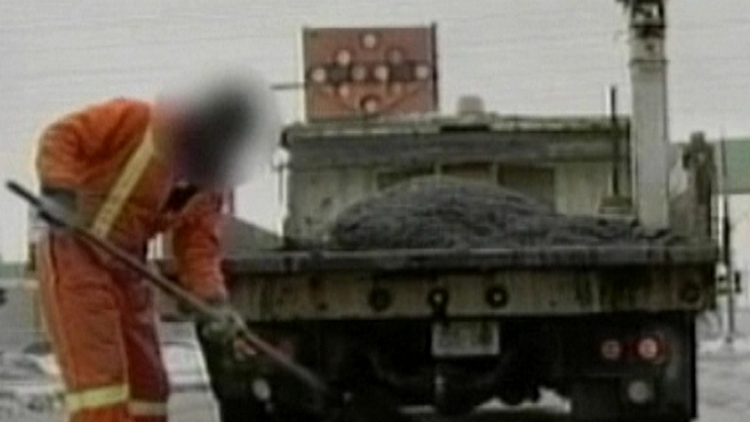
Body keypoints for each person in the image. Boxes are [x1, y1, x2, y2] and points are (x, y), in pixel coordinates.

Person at [34, 79, 260, 422]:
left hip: (128, 268)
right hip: (76, 255)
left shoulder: (210, 186)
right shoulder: (135, 121)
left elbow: (198, 250)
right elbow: (62, 136)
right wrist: (59, 192)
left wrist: (213, 303)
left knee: (149, 389)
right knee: (102, 387)